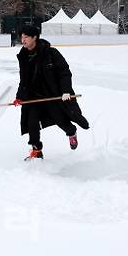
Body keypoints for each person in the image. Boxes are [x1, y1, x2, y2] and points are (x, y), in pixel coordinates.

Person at [13, 25, 89, 160]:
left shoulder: (51, 53)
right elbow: (23, 80)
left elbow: (64, 72)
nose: (22, 40)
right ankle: (36, 151)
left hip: (52, 95)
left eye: (26, 37)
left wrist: (66, 91)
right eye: (22, 37)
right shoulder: (23, 56)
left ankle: (71, 133)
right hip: (34, 97)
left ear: (34, 37)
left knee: (61, 120)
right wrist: (19, 97)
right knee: (32, 123)